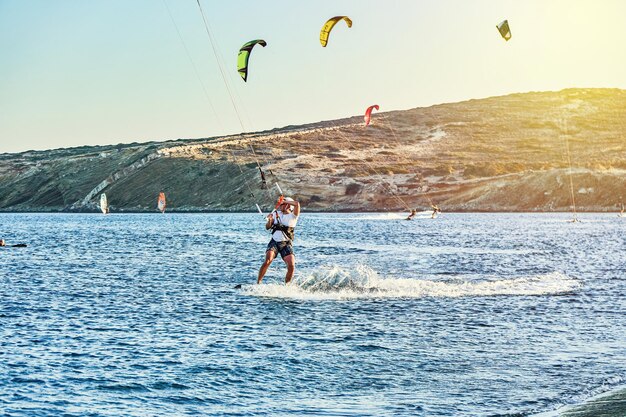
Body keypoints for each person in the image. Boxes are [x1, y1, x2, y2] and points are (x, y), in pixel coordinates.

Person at [258, 197, 300, 284]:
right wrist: (270, 220)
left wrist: (284, 201)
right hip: (274, 242)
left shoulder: (293, 216)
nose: (281, 205)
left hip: (286, 243)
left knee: (291, 265)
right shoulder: (275, 213)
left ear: (289, 206)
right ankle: (259, 282)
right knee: (268, 260)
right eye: (281, 204)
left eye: (283, 204)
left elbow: (297, 204)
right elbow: (267, 227)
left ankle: (287, 285)